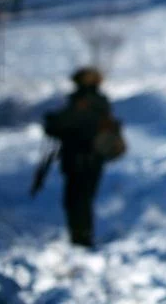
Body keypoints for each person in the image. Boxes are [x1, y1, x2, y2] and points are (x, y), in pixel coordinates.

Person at [43, 67, 115, 247]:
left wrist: (52, 121)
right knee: (84, 199)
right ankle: (82, 236)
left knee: (76, 200)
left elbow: (60, 125)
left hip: (78, 160)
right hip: (94, 160)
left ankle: (81, 239)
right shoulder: (100, 102)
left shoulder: (82, 102)